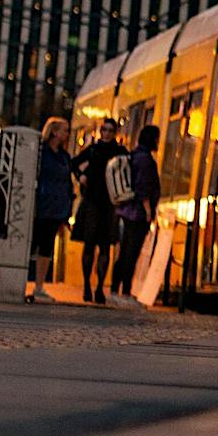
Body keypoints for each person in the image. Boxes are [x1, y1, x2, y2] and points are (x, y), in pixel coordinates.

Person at [69, 118, 128, 304]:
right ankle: (87, 285)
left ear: (115, 132)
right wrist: (81, 176)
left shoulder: (120, 152)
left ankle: (100, 287)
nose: (107, 133)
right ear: (101, 131)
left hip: (109, 204)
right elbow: (74, 163)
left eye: (111, 130)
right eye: (105, 130)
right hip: (92, 201)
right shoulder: (93, 150)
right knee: (89, 245)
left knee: (105, 247)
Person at [111, 125, 161, 305]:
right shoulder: (146, 160)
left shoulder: (133, 155)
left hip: (126, 211)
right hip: (137, 214)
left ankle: (114, 290)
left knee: (123, 252)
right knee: (130, 254)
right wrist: (148, 211)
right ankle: (124, 292)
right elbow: (143, 189)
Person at [30, 117, 73, 302]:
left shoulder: (64, 156)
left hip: (56, 207)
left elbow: (67, 183)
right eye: (65, 130)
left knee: (47, 246)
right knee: (34, 243)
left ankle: (39, 286)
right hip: (41, 205)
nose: (67, 134)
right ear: (54, 132)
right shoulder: (42, 153)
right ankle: (26, 282)